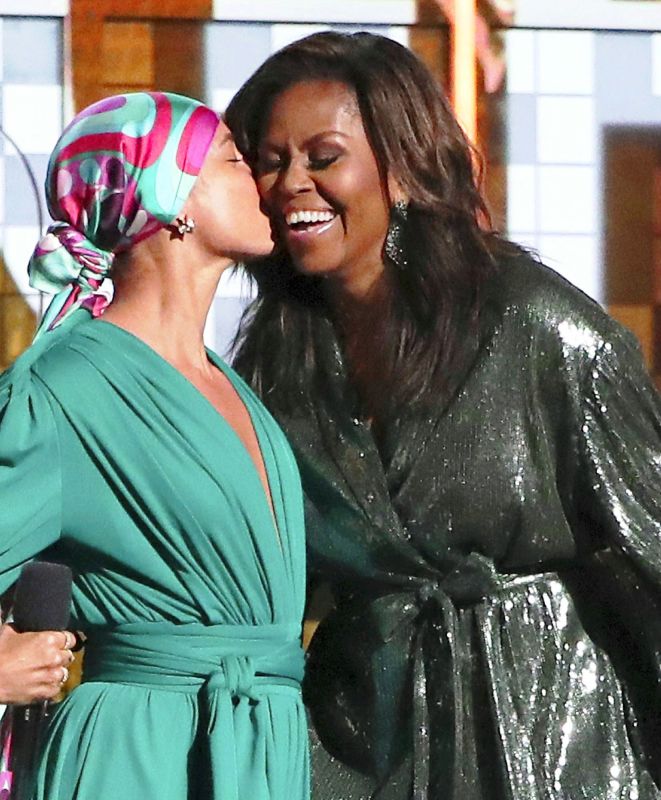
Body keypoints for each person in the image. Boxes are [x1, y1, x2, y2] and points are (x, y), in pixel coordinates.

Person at [224, 31, 661, 800]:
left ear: (399, 167)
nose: (290, 181)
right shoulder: (273, 362)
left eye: (323, 157)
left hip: (551, 741)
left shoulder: (539, 328)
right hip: (360, 744)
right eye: (270, 159)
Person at [0, 91, 309, 799]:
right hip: (140, 757)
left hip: (263, 746)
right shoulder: (64, 388)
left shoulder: (231, 384)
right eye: (233, 159)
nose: (262, 182)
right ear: (170, 197)